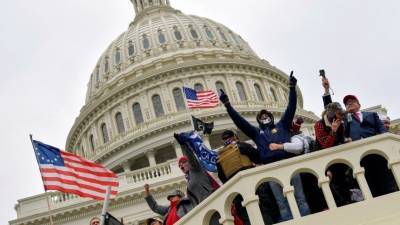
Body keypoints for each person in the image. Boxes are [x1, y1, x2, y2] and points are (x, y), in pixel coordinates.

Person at [218, 73, 298, 164]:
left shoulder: (282, 125)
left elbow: (291, 108)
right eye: (261, 117)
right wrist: (228, 105)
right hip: (269, 166)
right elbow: (241, 122)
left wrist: (292, 88)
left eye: (266, 115)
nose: (264, 117)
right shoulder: (256, 133)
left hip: (290, 162)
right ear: (259, 121)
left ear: (271, 117)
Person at [217, 130, 279, 225]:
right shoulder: (241, 146)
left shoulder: (220, 156)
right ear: (234, 136)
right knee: (263, 209)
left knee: (246, 215)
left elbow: (222, 177)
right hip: (252, 185)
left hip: (236, 190)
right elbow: (258, 157)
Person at [268, 117, 311, 219]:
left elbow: (298, 147)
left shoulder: (295, 137)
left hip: (295, 170)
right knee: (283, 202)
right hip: (277, 171)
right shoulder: (277, 136)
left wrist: (279, 146)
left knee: (299, 198)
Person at [174, 134, 220, 225]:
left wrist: (184, 145)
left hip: (211, 204)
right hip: (202, 210)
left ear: (189, 163)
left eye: (183, 163)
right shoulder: (189, 180)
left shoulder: (196, 169)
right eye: (179, 166)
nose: (181, 166)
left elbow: (191, 157)